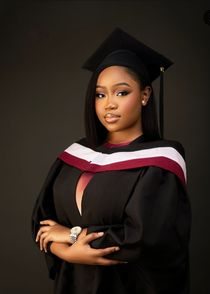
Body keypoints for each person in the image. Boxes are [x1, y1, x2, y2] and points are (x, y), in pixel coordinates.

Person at [32, 28, 191, 294]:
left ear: (145, 95)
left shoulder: (161, 161)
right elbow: (43, 224)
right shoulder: (75, 154)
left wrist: (71, 236)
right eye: (100, 94)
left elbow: (144, 239)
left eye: (121, 92)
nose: (109, 105)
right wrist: (69, 253)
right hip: (73, 285)